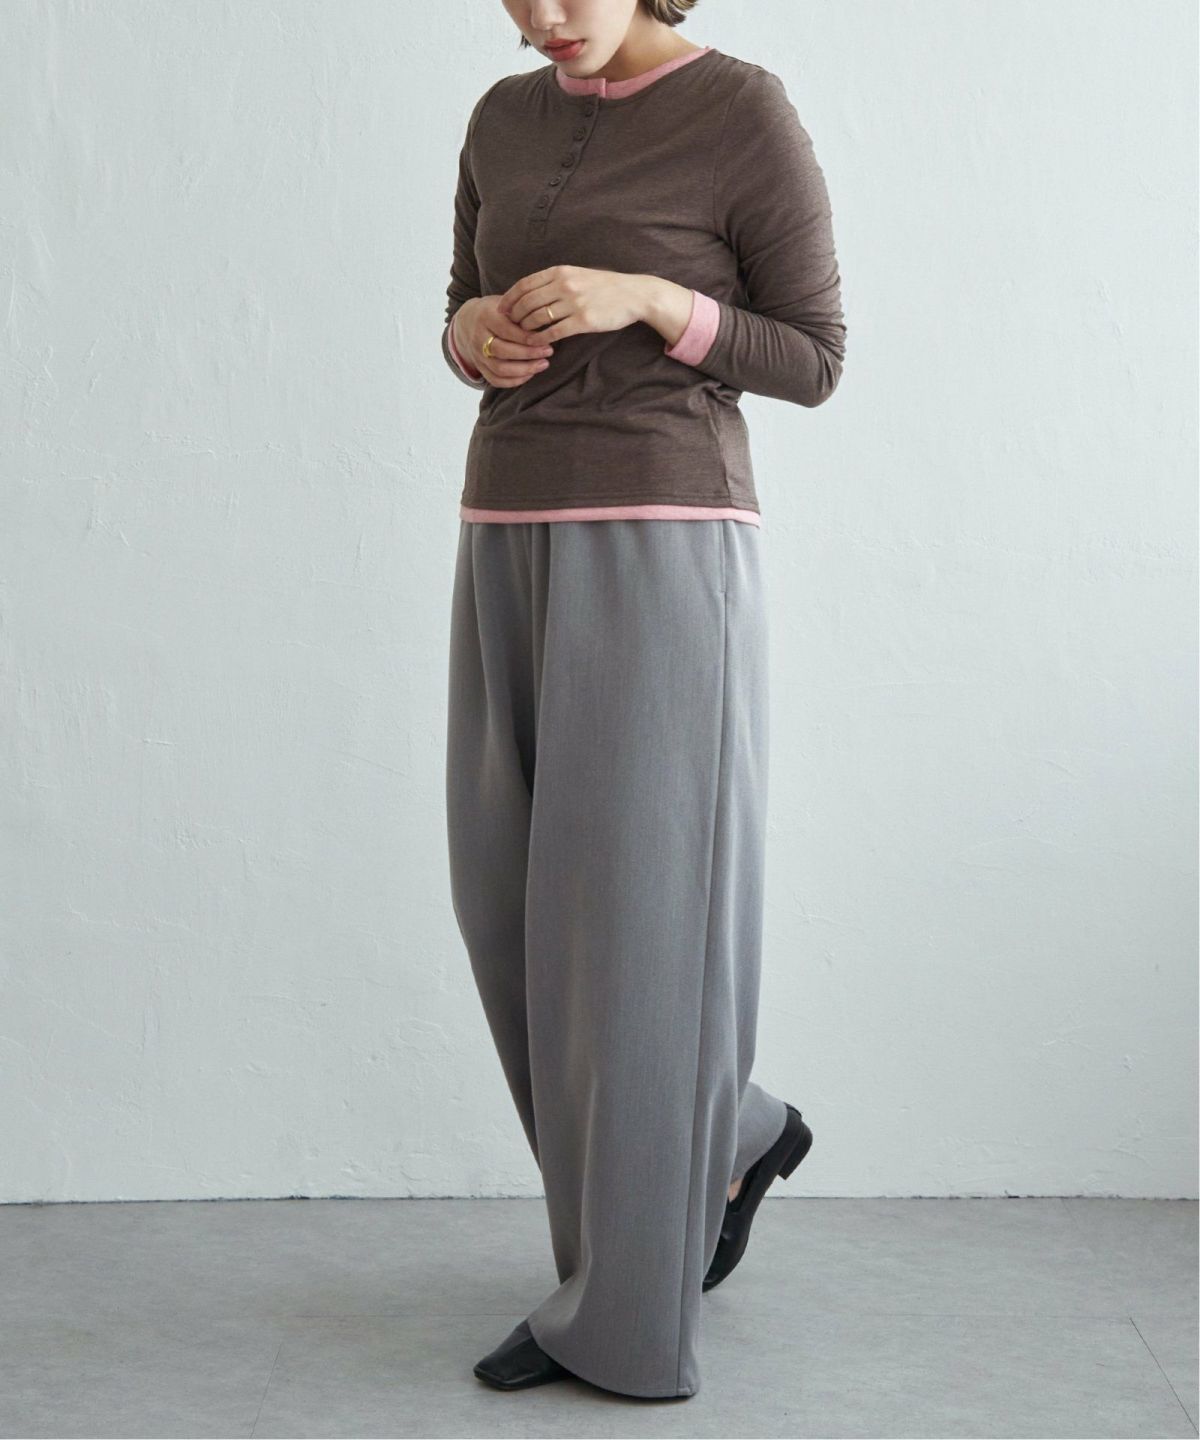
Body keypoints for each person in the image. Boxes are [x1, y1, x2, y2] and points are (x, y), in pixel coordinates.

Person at [442, 0, 844, 1401]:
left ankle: (620, 1315)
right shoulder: (502, 120)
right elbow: (457, 311)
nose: (543, 15)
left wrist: (652, 302)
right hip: (504, 527)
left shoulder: (742, 112)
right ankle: (723, 1130)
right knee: (510, 908)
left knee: (636, 933)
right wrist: (472, 334)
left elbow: (815, 357)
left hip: (664, 542)